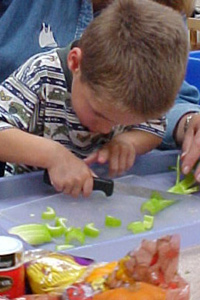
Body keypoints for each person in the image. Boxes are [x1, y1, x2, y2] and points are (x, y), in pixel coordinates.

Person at [0, 0, 188, 197]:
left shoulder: (139, 91)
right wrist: (53, 155)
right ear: (75, 63)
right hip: (24, 198)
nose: (106, 129)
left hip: (90, 203)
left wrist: (127, 143)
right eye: (99, 113)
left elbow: (153, 128)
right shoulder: (41, 75)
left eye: (118, 123)